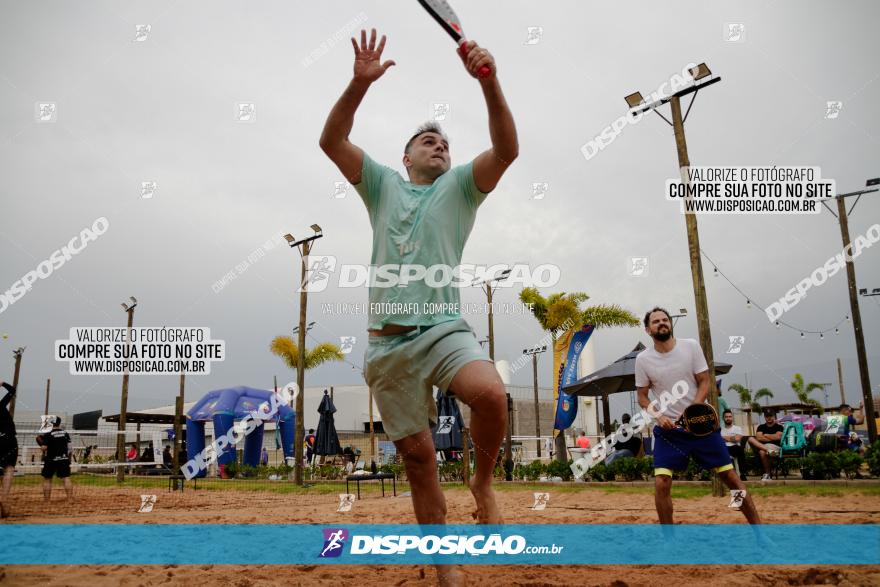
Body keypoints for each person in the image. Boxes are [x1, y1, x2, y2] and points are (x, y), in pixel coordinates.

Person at [320, 27, 517, 586]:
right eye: (427, 141)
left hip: (443, 330)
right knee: (419, 461)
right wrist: (359, 85)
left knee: (491, 395)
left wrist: (490, 81)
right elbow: (331, 141)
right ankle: (443, 564)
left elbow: (507, 149)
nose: (439, 144)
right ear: (405, 157)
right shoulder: (381, 184)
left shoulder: (460, 189)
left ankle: (482, 483)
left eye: (444, 142)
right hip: (388, 345)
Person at [635, 307, 760, 524]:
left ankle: (759, 530)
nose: (662, 323)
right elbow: (642, 397)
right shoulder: (643, 359)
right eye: (656, 321)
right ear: (648, 330)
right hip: (669, 432)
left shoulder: (690, 346)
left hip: (702, 427)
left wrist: (693, 409)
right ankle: (669, 538)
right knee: (662, 482)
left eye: (665, 319)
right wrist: (659, 417)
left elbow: (704, 380)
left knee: (730, 477)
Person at [36, 416, 73, 501]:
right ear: (59, 423)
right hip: (63, 459)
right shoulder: (65, 433)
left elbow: (44, 448)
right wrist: (68, 458)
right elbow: (70, 448)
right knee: (66, 478)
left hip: (51, 459)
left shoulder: (48, 434)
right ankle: (70, 499)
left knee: (47, 479)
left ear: (51, 423)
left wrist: (41, 445)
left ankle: (47, 501)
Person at [0, 381, 18, 518]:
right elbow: (12, 390)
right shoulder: (0, 405)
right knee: (9, 468)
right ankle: (4, 497)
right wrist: (3, 383)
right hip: (9, 440)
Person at [755, 410, 784, 481]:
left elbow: (778, 437)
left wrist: (766, 435)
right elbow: (759, 437)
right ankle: (768, 475)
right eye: (767, 416)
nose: (769, 418)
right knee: (751, 440)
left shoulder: (779, 427)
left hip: (776, 448)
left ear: (774, 416)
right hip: (765, 448)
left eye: (771, 416)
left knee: (762, 451)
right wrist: (772, 437)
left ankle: (767, 474)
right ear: (764, 417)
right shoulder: (761, 427)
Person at [720, 409, 748, 480]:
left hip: (735, 448)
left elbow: (737, 439)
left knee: (740, 450)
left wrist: (723, 437)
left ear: (732, 418)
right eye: (726, 417)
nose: (728, 418)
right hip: (724, 448)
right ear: (723, 418)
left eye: (729, 416)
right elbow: (719, 440)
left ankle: (743, 474)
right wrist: (732, 438)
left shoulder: (737, 428)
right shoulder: (720, 430)